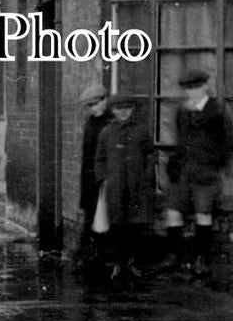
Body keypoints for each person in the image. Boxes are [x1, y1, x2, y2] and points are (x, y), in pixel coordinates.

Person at [164, 68, 233, 279]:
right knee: (173, 213)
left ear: (205, 86)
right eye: (188, 89)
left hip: (206, 172)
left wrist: (212, 164)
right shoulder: (182, 112)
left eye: (196, 87)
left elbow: (228, 142)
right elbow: (180, 140)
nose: (192, 92)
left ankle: (201, 261)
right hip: (183, 171)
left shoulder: (218, 111)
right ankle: (176, 258)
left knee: (204, 213)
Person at [93, 95, 155, 285]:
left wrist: (147, 177)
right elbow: (100, 159)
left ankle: (132, 262)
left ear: (132, 109)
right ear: (112, 110)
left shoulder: (141, 131)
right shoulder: (107, 132)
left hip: (137, 186)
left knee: (135, 225)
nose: (123, 111)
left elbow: (150, 155)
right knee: (117, 225)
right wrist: (103, 179)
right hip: (115, 186)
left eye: (127, 108)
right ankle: (118, 263)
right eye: (119, 108)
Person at [77, 83, 112, 270]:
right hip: (91, 179)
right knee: (91, 218)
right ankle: (90, 256)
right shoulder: (91, 124)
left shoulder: (111, 123)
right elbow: (86, 157)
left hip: (107, 178)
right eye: (91, 105)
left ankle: (100, 256)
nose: (94, 108)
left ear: (105, 101)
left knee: (105, 219)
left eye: (97, 103)